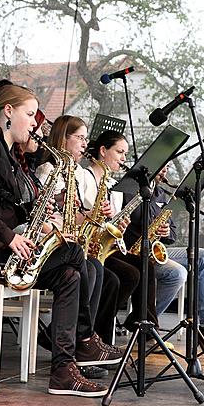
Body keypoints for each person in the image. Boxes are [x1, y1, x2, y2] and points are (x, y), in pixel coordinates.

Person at [0, 84, 122, 397]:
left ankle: (62, 370)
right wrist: (7, 235)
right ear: (8, 112)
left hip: (1, 253)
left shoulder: (10, 156)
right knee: (72, 254)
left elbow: (1, 204)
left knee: (69, 275)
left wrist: (37, 219)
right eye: (30, 114)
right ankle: (84, 341)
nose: (34, 122)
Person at [35, 117, 137, 347]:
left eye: (85, 138)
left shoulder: (76, 172)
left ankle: (87, 340)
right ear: (63, 138)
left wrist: (100, 216)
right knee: (98, 271)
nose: (84, 143)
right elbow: (48, 216)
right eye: (80, 137)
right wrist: (93, 215)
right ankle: (78, 341)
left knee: (106, 276)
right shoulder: (48, 170)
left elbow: (79, 213)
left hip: (72, 242)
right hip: (53, 241)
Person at [125, 163, 204, 340]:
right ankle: (144, 321)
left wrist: (166, 232)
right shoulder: (129, 190)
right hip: (133, 252)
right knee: (177, 273)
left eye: (168, 166)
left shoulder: (162, 194)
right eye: (162, 164)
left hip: (156, 250)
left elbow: (172, 233)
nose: (165, 169)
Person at [85, 130, 160, 343]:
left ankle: (143, 326)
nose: (123, 159)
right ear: (102, 151)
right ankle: (96, 334)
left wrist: (120, 224)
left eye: (126, 154)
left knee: (145, 264)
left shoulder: (114, 187)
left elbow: (114, 225)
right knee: (128, 274)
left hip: (106, 246)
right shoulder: (86, 177)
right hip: (90, 245)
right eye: (119, 152)